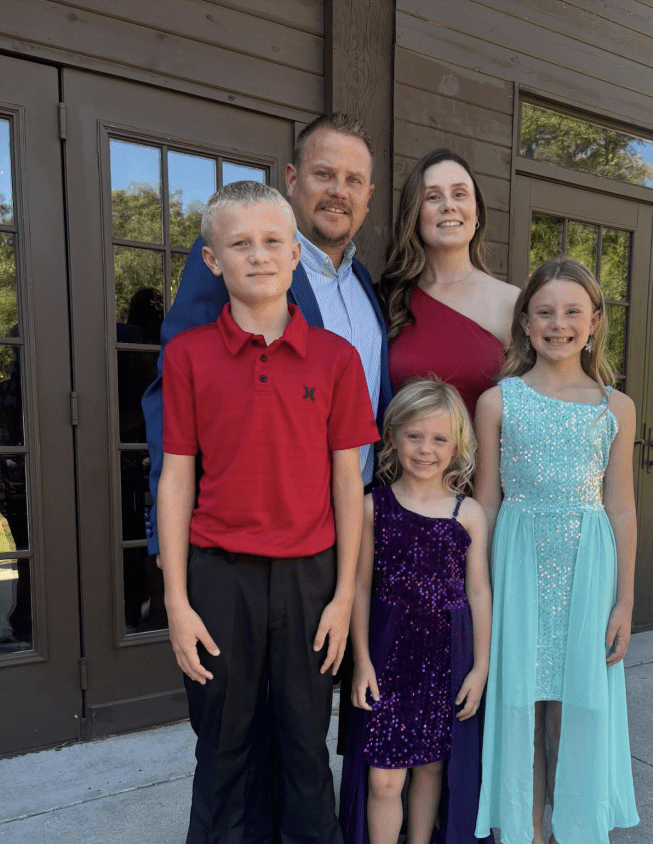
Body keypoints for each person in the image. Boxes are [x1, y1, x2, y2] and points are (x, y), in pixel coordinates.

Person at [158, 181, 379, 843]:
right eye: (240, 243)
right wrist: (176, 600)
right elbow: (176, 478)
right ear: (212, 260)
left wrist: (344, 596)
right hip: (219, 578)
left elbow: (348, 484)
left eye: (272, 241)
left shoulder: (336, 359)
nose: (258, 255)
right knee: (223, 744)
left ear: (294, 254)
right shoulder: (188, 355)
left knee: (305, 743)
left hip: (310, 580)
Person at [142, 111, 392, 561]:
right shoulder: (241, 263)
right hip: (248, 538)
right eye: (324, 174)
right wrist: (167, 534)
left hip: (353, 520)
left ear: (368, 196)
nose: (339, 191)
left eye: (354, 180)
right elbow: (171, 401)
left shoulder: (364, 287)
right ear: (292, 179)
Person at [473, 258, 640, 844]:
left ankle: (574, 830)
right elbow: (485, 503)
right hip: (517, 567)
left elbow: (621, 507)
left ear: (594, 322)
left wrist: (625, 602)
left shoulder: (615, 407)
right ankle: (526, 833)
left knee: (574, 709)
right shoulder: (498, 402)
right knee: (521, 708)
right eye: (544, 312)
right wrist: (478, 586)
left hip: (587, 572)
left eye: (572, 312)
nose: (558, 324)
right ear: (525, 322)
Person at [339, 379, 493, 844]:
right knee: (384, 778)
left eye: (440, 438)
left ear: (457, 446)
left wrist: (480, 668)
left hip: (445, 658)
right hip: (388, 657)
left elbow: (479, 592)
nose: (426, 449)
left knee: (431, 768)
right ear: (392, 437)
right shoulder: (373, 507)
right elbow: (359, 587)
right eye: (415, 436)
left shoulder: (468, 513)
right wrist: (361, 661)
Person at [380, 148, 518, 418]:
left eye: (459, 194)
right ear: (415, 215)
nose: (448, 206)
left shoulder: (511, 302)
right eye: (433, 197)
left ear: (476, 213)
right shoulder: (386, 299)